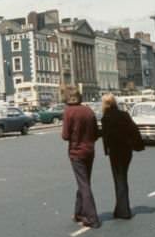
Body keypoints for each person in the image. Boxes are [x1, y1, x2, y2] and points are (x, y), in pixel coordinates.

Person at [61, 87, 100, 229]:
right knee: (84, 182)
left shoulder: (69, 112)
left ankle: (92, 217)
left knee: (83, 184)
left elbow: (65, 136)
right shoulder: (88, 111)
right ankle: (78, 213)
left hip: (76, 152)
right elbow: (96, 133)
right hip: (90, 151)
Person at [100, 93, 144, 220]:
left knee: (119, 179)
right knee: (122, 177)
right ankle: (120, 208)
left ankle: (124, 210)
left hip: (115, 152)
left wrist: (106, 150)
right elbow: (134, 130)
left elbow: (106, 136)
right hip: (126, 150)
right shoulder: (124, 115)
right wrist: (136, 145)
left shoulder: (106, 118)